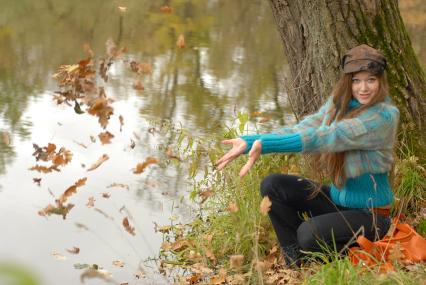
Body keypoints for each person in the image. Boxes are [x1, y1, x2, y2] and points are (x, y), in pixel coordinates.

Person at [215, 44, 400, 267]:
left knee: (307, 233)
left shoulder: (383, 117)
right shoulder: (340, 104)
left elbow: (327, 136)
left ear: (381, 81)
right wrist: (253, 141)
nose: (363, 88)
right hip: (338, 200)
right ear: (347, 81)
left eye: (370, 79)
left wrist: (264, 145)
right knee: (273, 185)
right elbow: (303, 130)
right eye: (356, 80)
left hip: (371, 216)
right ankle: (296, 259)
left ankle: (335, 250)